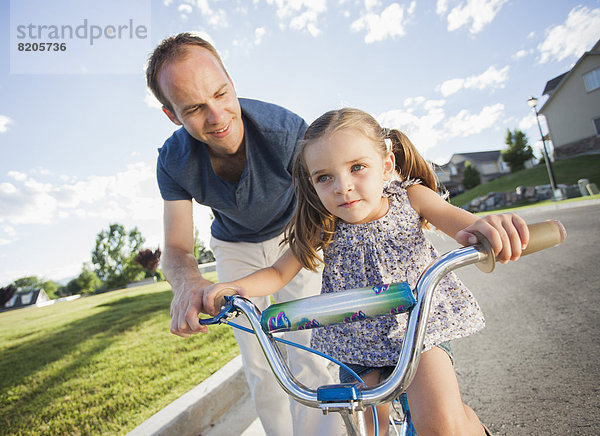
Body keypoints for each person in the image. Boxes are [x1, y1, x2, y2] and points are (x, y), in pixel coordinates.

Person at [204, 108, 530, 436]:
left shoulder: (411, 198)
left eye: (357, 167)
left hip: (418, 331)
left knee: (441, 424)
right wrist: (231, 288)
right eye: (324, 177)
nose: (343, 187)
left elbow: (466, 226)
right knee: (370, 429)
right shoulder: (323, 225)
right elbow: (277, 273)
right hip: (356, 343)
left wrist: (489, 230)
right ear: (312, 183)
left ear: (386, 166)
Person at [146, 33, 343, 436]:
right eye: (195, 108)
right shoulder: (172, 161)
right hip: (234, 244)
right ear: (172, 115)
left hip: (296, 231)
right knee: (259, 362)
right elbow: (178, 248)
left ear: (232, 82)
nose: (217, 116)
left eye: (221, 94)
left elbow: (325, 208)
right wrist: (188, 283)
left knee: (307, 350)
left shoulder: (287, 132)